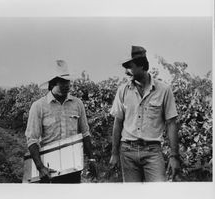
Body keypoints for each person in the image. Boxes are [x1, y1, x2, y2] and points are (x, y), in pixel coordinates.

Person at [109, 45, 180, 182]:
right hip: (127, 152)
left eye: (130, 66)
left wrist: (174, 156)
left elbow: (171, 123)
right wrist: (114, 153)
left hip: (153, 152)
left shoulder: (164, 90)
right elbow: (118, 122)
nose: (126, 71)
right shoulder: (122, 91)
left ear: (141, 65)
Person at [25, 60, 97, 183]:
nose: (67, 85)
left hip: (73, 166)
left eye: (68, 81)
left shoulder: (77, 104)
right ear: (52, 83)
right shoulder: (39, 106)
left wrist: (91, 159)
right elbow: (32, 139)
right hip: (49, 169)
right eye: (62, 81)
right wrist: (40, 167)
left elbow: (85, 133)